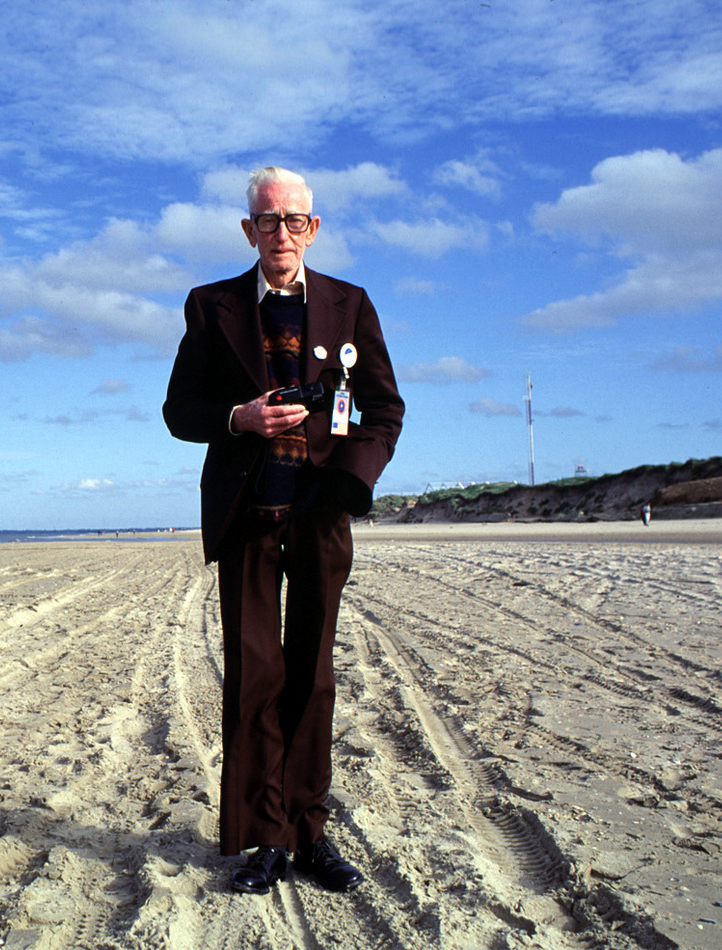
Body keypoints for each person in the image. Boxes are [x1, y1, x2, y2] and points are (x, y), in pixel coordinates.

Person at [163, 167, 405, 894]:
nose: (281, 233)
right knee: (254, 676)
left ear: (314, 227)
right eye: (267, 221)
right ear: (248, 230)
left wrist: (352, 479)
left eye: (294, 220)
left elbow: (384, 411)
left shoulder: (348, 304)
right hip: (246, 516)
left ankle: (309, 833)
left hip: (320, 513)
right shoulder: (212, 307)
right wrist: (238, 417)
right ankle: (261, 839)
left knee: (313, 677)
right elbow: (179, 411)